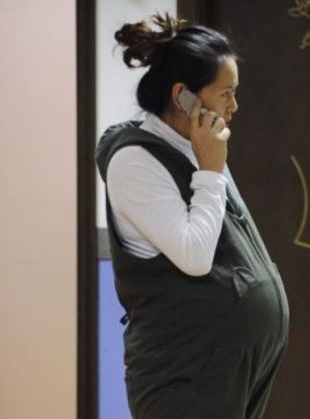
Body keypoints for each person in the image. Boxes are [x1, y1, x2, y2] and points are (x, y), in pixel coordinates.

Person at [95, 13, 290, 419]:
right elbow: (195, 255)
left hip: (227, 368)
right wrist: (211, 169)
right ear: (183, 96)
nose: (234, 106)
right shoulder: (134, 160)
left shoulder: (198, 145)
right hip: (184, 374)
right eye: (226, 93)